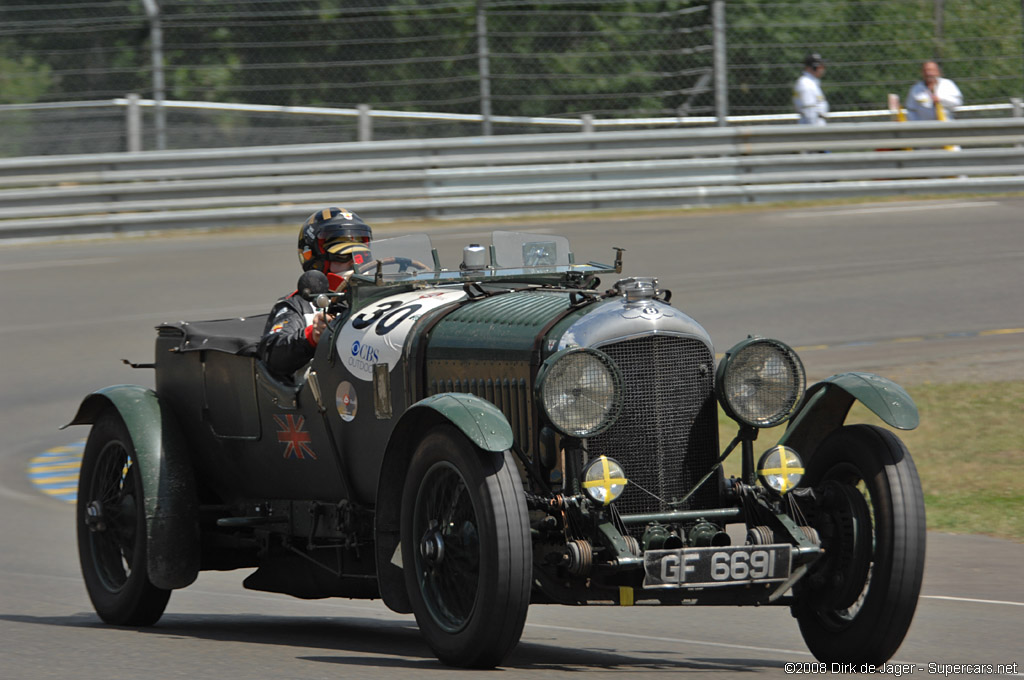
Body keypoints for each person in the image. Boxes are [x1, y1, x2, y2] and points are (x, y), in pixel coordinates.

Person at [259, 207, 372, 380]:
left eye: (359, 255)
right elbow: (272, 356)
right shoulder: (299, 305)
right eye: (342, 255)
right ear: (317, 259)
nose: (353, 263)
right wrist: (312, 336)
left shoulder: (381, 297)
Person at [793, 53, 828, 126]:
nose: (822, 69)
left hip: (815, 124)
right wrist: (814, 131)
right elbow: (809, 111)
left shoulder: (810, 82)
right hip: (813, 125)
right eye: (820, 67)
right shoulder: (806, 84)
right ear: (811, 68)